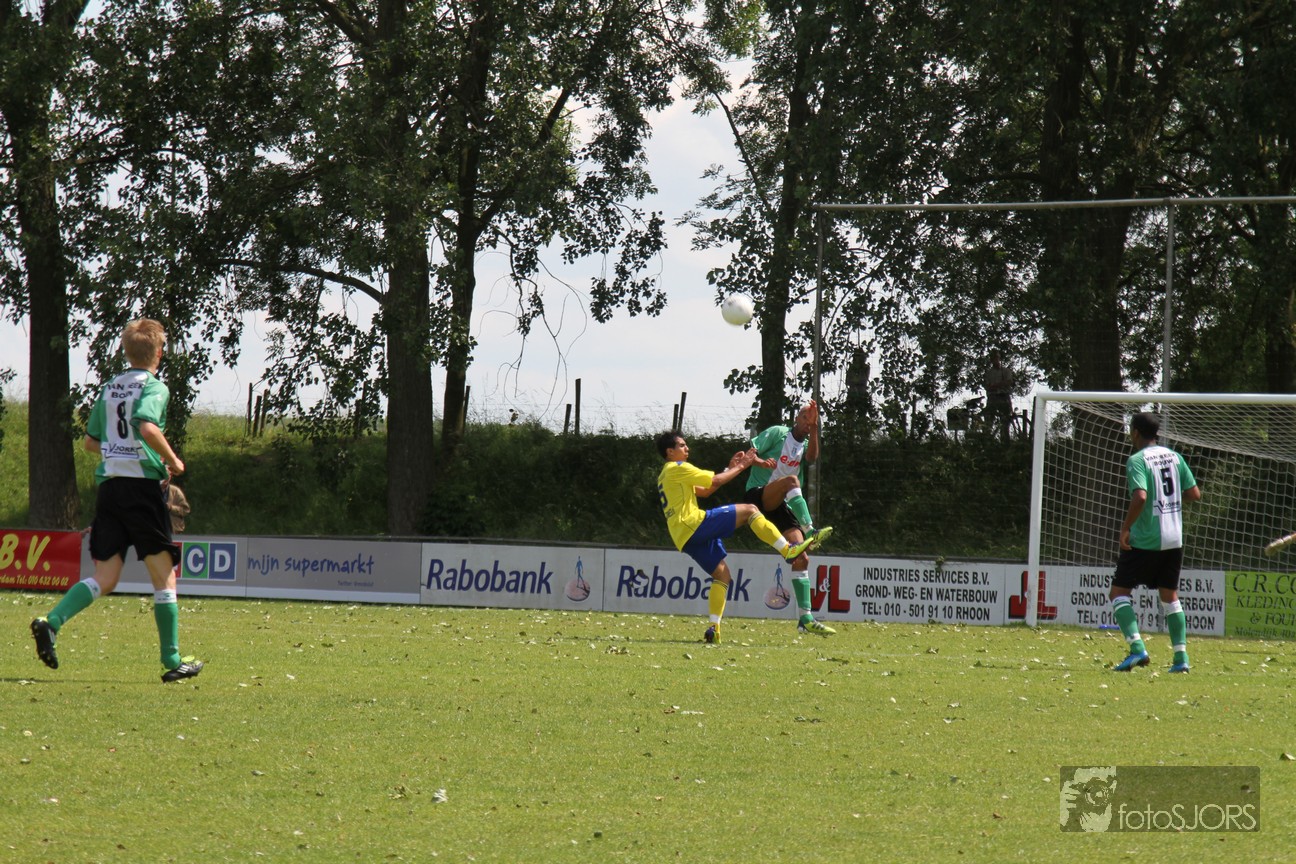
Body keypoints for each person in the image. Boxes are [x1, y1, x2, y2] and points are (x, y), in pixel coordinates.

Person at [30, 318, 204, 683]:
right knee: (164, 577)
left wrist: (122, 451)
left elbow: (91, 442)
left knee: (105, 577)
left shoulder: (110, 388)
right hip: (140, 490)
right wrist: (172, 461)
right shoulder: (154, 387)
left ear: (126, 351)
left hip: (110, 488)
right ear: (159, 353)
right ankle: (172, 659)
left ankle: (51, 621)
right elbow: (147, 427)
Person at [656, 431, 817, 644]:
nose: (687, 449)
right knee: (750, 510)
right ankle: (787, 550)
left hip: (683, 536)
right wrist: (743, 465)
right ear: (670, 451)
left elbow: (705, 491)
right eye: (682, 445)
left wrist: (729, 468)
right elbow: (714, 480)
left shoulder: (667, 474)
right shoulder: (677, 467)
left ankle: (714, 629)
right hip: (693, 524)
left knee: (722, 576)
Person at [1109, 412, 1201, 673]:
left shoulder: (1137, 460)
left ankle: (1137, 649)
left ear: (1135, 432)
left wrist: (1126, 528)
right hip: (1174, 538)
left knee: (1118, 593)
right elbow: (1194, 493)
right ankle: (1181, 658)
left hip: (1147, 538)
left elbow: (1140, 496)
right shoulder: (1174, 457)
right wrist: (1168, 500)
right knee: (1169, 597)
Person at [744, 399, 836, 635]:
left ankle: (805, 618)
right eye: (805, 417)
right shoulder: (778, 433)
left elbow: (812, 457)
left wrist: (814, 428)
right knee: (791, 481)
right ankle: (811, 530)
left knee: (801, 558)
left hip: (780, 503)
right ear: (796, 418)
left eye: (811, 420)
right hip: (758, 494)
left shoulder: (805, 443)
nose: (807, 422)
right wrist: (761, 462)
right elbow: (749, 453)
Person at [984, 349, 1013, 441]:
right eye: (993, 358)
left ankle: (1005, 441)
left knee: (1005, 421)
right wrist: (999, 385)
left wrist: (995, 385)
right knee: (989, 419)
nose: (995, 360)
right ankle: (988, 439)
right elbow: (988, 386)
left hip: (1004, 397)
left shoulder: (1006, 371)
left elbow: (1008, 382)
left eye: (997, 358)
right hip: (993, 397)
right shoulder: (989, 373)